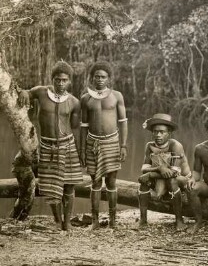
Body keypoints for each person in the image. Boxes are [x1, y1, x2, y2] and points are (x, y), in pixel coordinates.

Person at [17, 61, 82, 231]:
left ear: (69, 81)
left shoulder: (74, 102)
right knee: (51, 186)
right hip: (47, 146)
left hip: (67, 145)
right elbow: (26, 93)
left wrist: (80, 151)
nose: (61, 83)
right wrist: (23, 92)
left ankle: (67, 222)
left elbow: (76, 128)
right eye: (58, 80)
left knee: (68, 185)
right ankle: (57, 221)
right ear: (52, 79)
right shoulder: (41, 92)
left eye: (64, 80)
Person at [80, 61, 128, 229]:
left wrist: (123, 145)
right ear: (92, 79)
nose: (100, 80)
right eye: (96, 77)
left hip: (112, 142)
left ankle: (113, 220)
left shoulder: (117, 96)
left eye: (103, 77)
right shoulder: (85, 98)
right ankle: (94, 221)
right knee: (95, 182)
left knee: (112, 182)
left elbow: (123, 122)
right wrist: (82, 150)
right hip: (93, 143)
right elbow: (83, 127)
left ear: (109, 78)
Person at [137, 113, 191, 230]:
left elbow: (173, 173)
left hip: (181, 179)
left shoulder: (175, 145)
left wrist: (151, 173)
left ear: (169, 133)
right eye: (155, 132)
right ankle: (143, 220)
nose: (158, 135)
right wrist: (158, 168)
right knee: (144, 182)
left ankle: (179, 221)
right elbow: (144, 168)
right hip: (160, 176)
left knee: (171, 181)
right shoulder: (149, 146)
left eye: (162, 132)